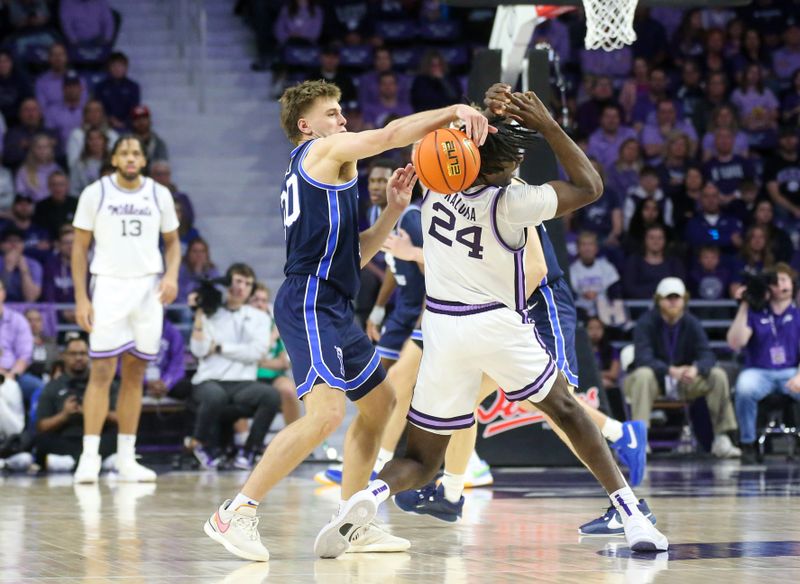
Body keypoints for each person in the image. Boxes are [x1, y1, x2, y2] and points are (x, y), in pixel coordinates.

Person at [327, 90, 668, 558]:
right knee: (566, 411)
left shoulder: (435, 185)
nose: (518, 163)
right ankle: (632, 515)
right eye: (513, 159)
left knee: (420, 459)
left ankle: (367, 497)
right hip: (496, 325)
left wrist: (482, 112)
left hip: (442, 331)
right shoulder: (512, 203)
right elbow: (590, 186)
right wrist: (548, 124)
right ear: (496, 168)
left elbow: (448, 144)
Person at [204, 79, 491, 561]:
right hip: (309, 299)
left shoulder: (331, 170)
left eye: (341, 111)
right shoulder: (321, 150)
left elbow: (352, 255)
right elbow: (389, 135)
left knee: (381, 402)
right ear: (306, 125)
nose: (341, 118)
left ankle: (349, 524)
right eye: (332, 112)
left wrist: (393, 213)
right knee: (327, 415)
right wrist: (453, 111)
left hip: (334, 300)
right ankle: (236, 512)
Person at [71, 136, 181, 483]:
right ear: (114, 159)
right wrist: (81, 298)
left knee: (135, 374)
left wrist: (172, 275)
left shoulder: (158, 193)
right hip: (108, 285)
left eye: (136, 153)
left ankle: (125, 457)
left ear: (143, 161)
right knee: (101, 371)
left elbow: (173, 242)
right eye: (124, 153)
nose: (131, 158)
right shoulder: (95, 192)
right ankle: (89, 457)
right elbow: (79, 248)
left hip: (147, 287)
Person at [624, 277, 741, 458]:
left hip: (685, 381)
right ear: (658, 300)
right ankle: (639, 439)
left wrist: (696, 369)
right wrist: (670, 370)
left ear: (684, 300)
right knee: (642, 375)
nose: (672, 302)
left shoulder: (691, 322)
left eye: (676, 298)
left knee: (717, 375)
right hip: (657, 380)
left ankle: (722, 438)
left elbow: (707, 355)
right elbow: (643, 357)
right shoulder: (645, 322)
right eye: (668, 298)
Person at [189, 263, 281, 470]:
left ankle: (250, 450)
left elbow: (257, 352)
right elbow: (199, 349)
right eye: (238, 281)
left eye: (248, 283)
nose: (242, 287)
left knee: (271, 395)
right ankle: (200, 445)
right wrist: (199, 315)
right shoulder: (212, 312)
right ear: (228, 283)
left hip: (242, 383)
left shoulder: (259, 317)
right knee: (215, 396)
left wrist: (221, 347)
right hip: (210, 379)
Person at [727, 263, 800, 462]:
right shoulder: (755, 314)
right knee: (744, 388)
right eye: (775, 281)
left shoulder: (797, 314)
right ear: (768, 287)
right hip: (759, 371)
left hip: (792, 370)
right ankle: (748, 443)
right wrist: (744, 305)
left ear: (792, 285)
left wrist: (799, 375)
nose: (780, 284)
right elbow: (735, 343)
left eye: (784, 279)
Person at [365, 160, 424, 370]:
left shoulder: (410, 219)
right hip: (403, 307)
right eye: (372, 180)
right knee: (380, 375)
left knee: (407, 380)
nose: (375, 186)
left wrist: (421, 327)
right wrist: (378, 308)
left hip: (424, 309)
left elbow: (430, 271)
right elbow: (394, 262)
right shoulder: (375, 215)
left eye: (382, 181)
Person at [35, 336, 118, 470]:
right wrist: (64, 415)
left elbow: (119, 419)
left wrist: (92, 412)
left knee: (117, 436)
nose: (78, 358)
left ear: (90, 355)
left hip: (97, 439)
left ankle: (74, 462)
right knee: (41, 439)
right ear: (64, 356)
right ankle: (88, 461)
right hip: (65, 439)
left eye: (83, 353)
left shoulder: (105, 383)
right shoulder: (52, 386)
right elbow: (41, 426)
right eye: (73, 354)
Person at [249, 282, 301, 427]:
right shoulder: (241, 324)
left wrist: (256, 362)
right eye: (255, 300)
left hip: (273, 377)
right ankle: (242, 440)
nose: (260, 304)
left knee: (289, 390)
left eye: (263, 301)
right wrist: (271, 338)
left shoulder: (275, 325)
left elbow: (283, 362)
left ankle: (295, 438)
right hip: (246, 377)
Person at [0, 279, 43, 404]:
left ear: (3, 293)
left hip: (13, 374)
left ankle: (33, 424)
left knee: (40, 389)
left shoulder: (18, 320)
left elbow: (24, 355)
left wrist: (12, 375)